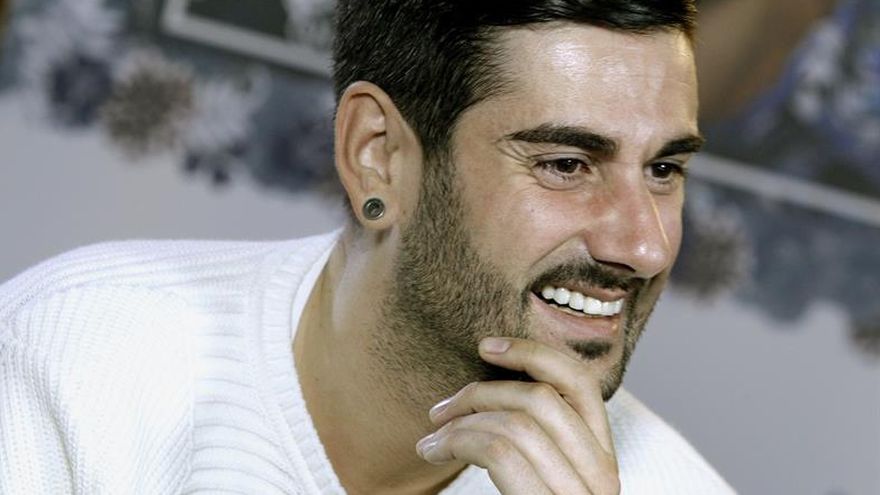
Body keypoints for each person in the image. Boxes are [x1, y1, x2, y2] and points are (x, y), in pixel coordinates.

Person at [0, 1, 736, 493]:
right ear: (377, 156)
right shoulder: (69, 365)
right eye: (566, 165)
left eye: (664, 170)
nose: (645, 245)